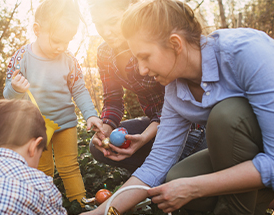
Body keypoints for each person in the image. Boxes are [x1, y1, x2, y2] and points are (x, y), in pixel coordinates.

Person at [75, 0, 274, 215]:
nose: (141, 70)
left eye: (145, 57)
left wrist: (195, 187)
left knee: (226, 115)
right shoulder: (175, 90)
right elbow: (156, 164)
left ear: (175, 44)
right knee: (175, 177)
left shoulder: (246, 51)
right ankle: (271, 199)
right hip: (253, 155)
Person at [86, 0, 206, 173]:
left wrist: (144, 138)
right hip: (154, 123)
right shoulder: (105, 53)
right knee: (96, 148)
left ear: (131, 10)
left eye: (112, 22)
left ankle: (167, 171)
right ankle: (153, 174)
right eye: (98, 25)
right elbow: (113, 100)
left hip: (186, 124)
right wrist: (105, 129)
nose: (106, 32)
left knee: (170, 170)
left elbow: (175, 103)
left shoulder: (153, 45)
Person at [3, 0, 102, 204]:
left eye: (67, 41)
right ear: (37, 30)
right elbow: (8, 96)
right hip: (36, 127)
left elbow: (79, 89)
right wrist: (16, 88)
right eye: (56, 40)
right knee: (42, 169)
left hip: (66, 123)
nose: (61, 47)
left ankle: (80, 205)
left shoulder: (69, 60)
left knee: (70, 166)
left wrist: (91, 114)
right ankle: (44, 209)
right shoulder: (22, 57)